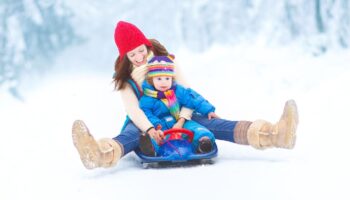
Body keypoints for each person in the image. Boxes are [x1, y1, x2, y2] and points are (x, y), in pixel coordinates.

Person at [72, 21, 299, 170]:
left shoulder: (167, 61)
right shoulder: (125, 79)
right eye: (133, 54)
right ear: (125, 56)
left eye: (141, 50)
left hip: (178, 111)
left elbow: (186, 93)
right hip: (146, 120)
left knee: (217, 124)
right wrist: (150, 128)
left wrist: (183, 118)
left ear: (146, 44)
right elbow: (134, 110)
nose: (140, 56)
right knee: (131, 136)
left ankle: (274, 134)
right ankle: (99, 154)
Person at [138, 55, 217, 156]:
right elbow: (147, 114)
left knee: (194, 127)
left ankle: (203, 143)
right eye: (159, 79)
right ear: (151, 80)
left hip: (179, 120)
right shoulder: (147, 98)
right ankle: (151, 148)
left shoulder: (178, 91)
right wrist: (156, 126)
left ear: (172, 78)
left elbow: (193, 98)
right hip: (161, 125)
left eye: (167, 78)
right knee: (156, 137)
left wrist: (208, 110)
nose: (164, 82)